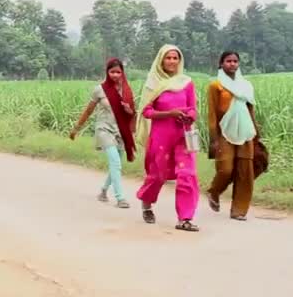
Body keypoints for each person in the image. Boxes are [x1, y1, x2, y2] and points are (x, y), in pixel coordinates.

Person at [134, 44, 201, 232]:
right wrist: (169, 113)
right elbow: (146, 111)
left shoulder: (186, 82)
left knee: (187, 174)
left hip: (183, 135)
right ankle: (146, 203)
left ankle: (185, 218)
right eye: (168, 58)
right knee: (157, 175)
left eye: (175, 58)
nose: (172, 61)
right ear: (161, 60)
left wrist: (189, 116)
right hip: (161, 137)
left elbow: (193, 108)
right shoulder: (153, 84)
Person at [69, 58, 137, 209]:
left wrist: (128, 111)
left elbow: (133, 113)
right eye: (112, 72)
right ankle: (120, 198)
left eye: (118, 72)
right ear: (107, 72)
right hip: (104, 128)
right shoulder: (100, 89)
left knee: (117, 164)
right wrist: (76, 128)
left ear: (122, 73)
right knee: (115, 162)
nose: (115, 75)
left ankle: (103, 191)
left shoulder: (126, 90)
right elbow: (88, 110)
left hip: (120, 130)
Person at [206, 50, 262, 221]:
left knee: (245, 172)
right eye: (228, 61)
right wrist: (214, 139)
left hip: (245, 132)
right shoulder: (216, 86)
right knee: (226, 169)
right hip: (224, 132)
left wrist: (256, 133)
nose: (232, 64)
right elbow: (212, 114)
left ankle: (238, 210)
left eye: (235, 61)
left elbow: (250, 109)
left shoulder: (245, 85)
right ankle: (214, 191)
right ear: (221, 64)